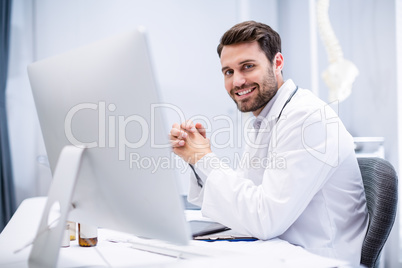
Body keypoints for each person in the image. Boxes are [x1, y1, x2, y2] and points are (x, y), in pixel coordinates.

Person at [170, 21, 368, 266]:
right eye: (228, 72)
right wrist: (196, 159)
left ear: (277, 63)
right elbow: (244, 204)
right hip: (278, 249)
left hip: (318, 257)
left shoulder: (308, 118)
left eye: (248, 66)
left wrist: (203, 158)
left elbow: (265, 219)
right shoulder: (265, 119)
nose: (237, 81)